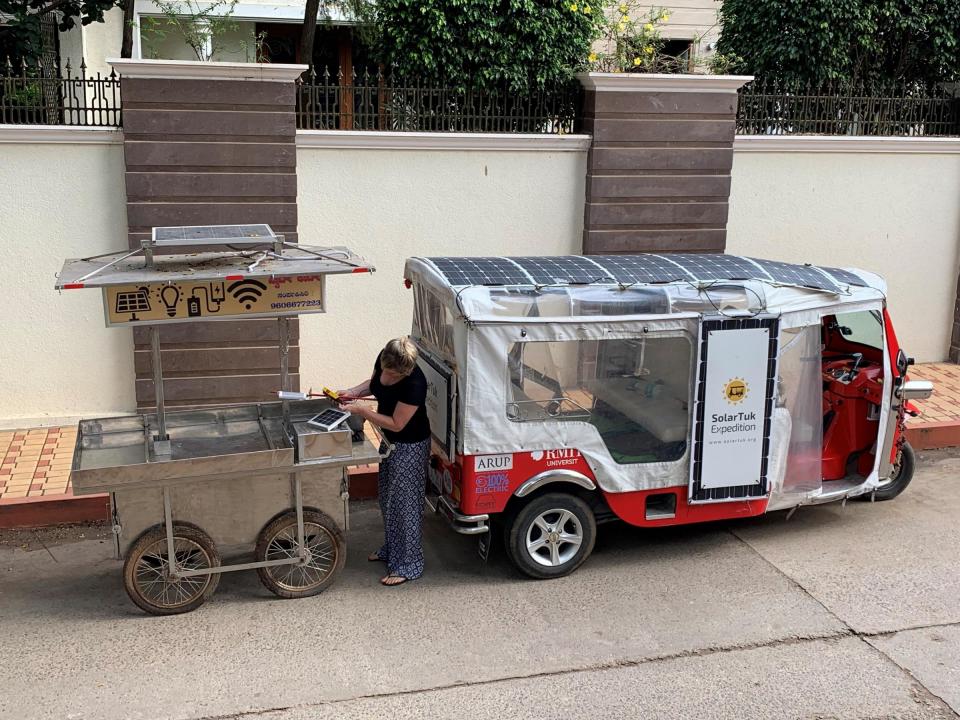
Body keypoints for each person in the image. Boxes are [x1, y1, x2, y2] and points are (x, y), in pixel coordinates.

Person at [338, 337, 431, 586]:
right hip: (389, 442)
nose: (389, 376)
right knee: (387, 499)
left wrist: (363, 411)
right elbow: (375, 385)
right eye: (387, 370)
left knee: (405, 506)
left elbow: (398, 424)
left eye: (395, 374)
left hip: (410, 445)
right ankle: (392, 550)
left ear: (406, 370)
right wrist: (354, 392)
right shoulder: (384, 357)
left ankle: (409, 564)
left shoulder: (415, 383)